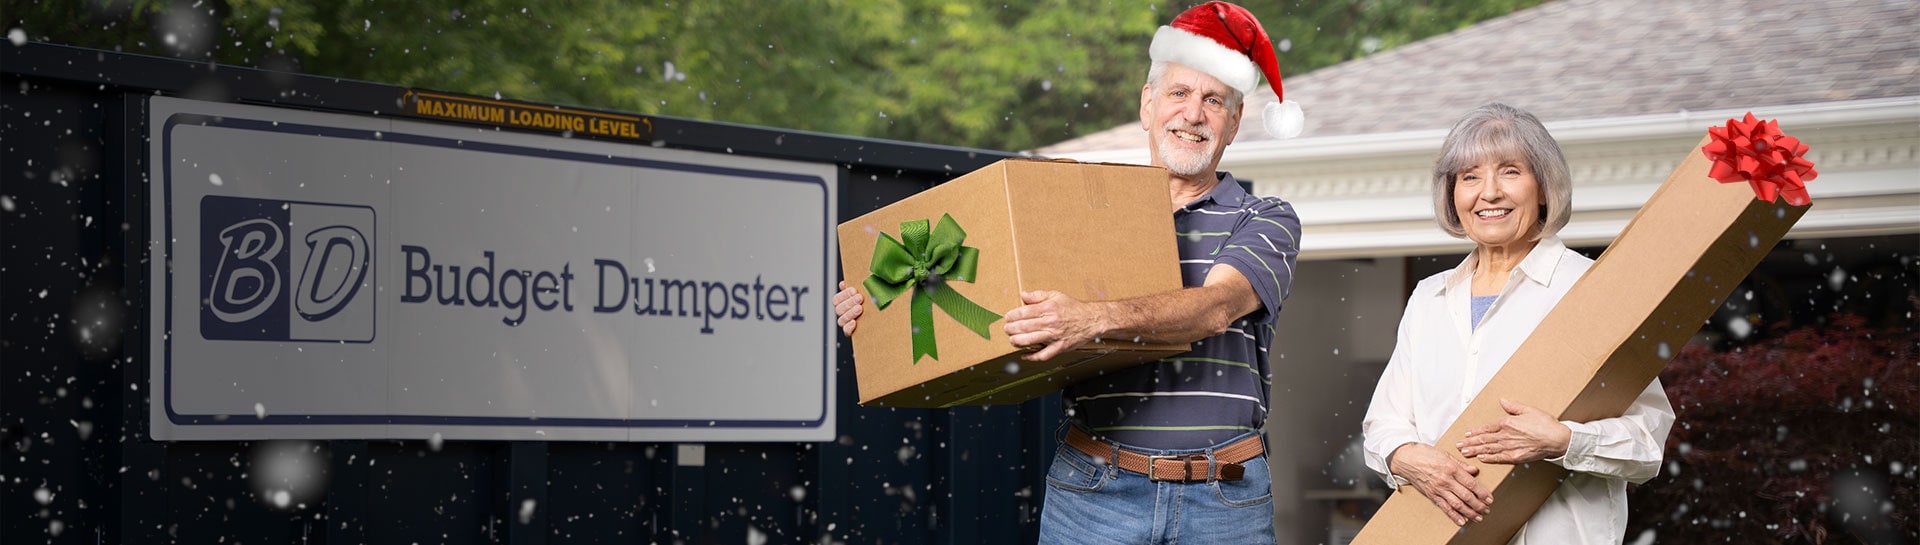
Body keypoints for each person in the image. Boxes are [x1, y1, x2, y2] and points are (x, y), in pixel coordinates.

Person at [833, 2, 1302, 542]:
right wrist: (878, 313)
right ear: (1148, 105)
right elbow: (986, 300)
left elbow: (1215, 308)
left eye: (1214, 100)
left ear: (1235, 121)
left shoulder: (1265, 218)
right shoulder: (1079, 215)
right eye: (1178, 93)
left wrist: (1091, 319)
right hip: (1094, 494)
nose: (1193, 114)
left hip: (1224, 498)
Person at [1359, 103, 1676, 544]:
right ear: (1453, 195)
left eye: (1509, 171)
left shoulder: (1591, 290)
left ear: (1544, 187)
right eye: (1469, 177)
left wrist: (1563, 441)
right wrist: (1407, 456)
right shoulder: (1428, 299)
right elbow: (1383, 424)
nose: (1488, 193)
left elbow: (1648, 442)